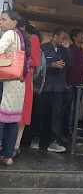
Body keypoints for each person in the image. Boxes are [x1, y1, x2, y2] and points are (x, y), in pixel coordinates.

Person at [30, 28, 72, 153]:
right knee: (40, 113)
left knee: (57, 115)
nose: (64, 40)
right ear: (55, 36)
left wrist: (68, 49)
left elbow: (71, 63)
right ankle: (36, 138)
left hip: (58, 88)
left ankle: (53, 142)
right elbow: (37, 65)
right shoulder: (43, 47)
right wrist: (52, 65)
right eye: (62, 38)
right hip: (44, 87)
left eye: (66, 38)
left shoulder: (64, 51)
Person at [0, 10, 31, 166]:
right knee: (12, 121)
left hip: (6, 82)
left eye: (4, 19)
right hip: (19, 83)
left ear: (14, 22)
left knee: (0, 118)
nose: (1, 22)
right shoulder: (22, 37)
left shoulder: (9, 34)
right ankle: (8, 156)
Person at [14, 20, 41, 157]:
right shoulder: (30, 39)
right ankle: (14, 145)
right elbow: (35, 62)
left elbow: (35, 62)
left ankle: (15, 145)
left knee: (21, 111)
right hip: (20, 77)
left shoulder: (32, 39)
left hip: (21, 77)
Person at [64, 29, 83, 138]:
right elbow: (67, 67)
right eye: (80, 35)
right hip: (70, 84)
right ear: (74, 37)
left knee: (76, 109)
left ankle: (72, 131)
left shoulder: (82, 51)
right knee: (68, 108)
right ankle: (65, 132)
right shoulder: (70, 49)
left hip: (79, 85)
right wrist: (66, 82)